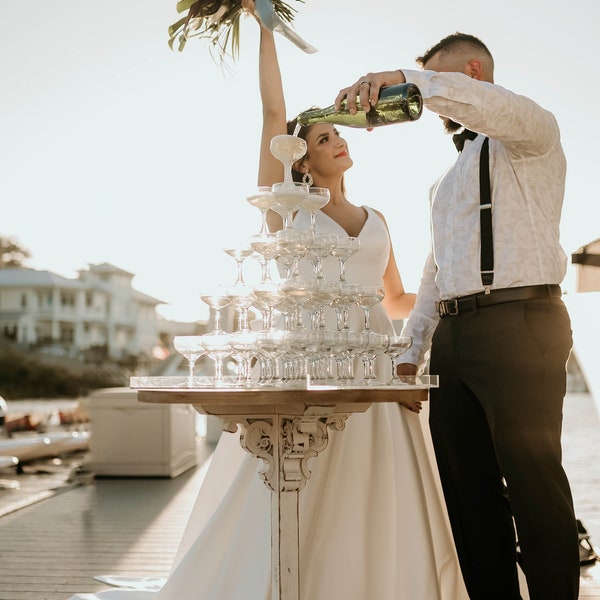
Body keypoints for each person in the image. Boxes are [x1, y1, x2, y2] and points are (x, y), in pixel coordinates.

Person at [66, 11, 469, 600]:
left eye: (339, 134)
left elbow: (399, 299)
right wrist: (264, 31)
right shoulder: (288, 210)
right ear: (299, 161)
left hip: (378, 366)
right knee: (303, 483)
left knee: (375, 487)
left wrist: (454, 295)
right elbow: (272, 116)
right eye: (324, 138)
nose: (339, 139)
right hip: (313, 365)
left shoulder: (380, 219)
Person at [335, 33, 580, 600]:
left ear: (472, 71)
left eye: (443, 82)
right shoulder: (443, 184)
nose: (431, 103)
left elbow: (480, 103)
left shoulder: (532, 132)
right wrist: (409, 351)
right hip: (454, 335)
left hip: (523, 323)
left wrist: (404, 78)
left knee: (533, 483)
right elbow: (435, 270)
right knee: (467, 496)